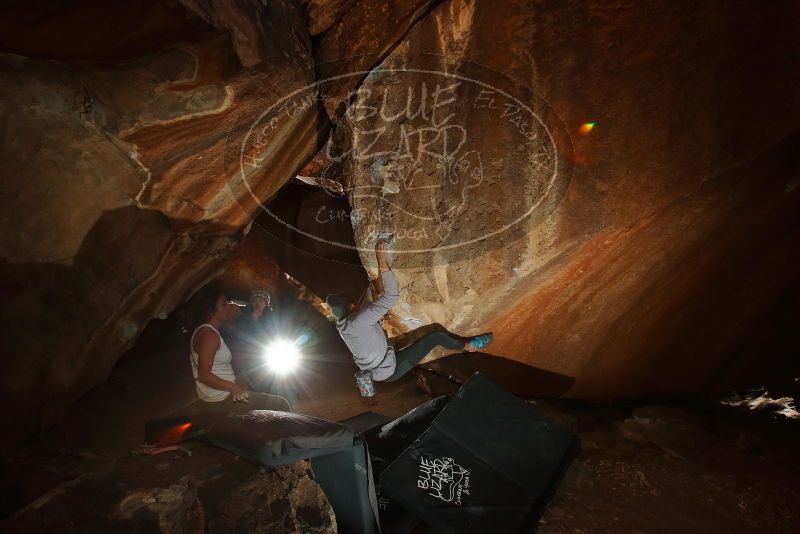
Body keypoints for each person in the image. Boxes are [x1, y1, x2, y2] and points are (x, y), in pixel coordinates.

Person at [326, 240, 493, 383]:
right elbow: (391, 296)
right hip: (391, 369)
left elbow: (365, 308)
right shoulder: (357, 320)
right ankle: (469, 346)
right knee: (436, 336)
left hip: (379, 364)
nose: (357, 304)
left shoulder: (342, 325)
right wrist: (383, 265)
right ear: (351, 307)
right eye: (354, 303)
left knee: (406, 337)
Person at [189, 287, 290, 413]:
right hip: (221, 398)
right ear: (211, 311)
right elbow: (204, 375)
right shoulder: (209, 335)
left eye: (261, 300)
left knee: (270, 392)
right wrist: (233, 387)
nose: (229, 307)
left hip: (218, 394)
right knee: (280, 404)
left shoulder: (205, 330)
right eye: (224, 304)